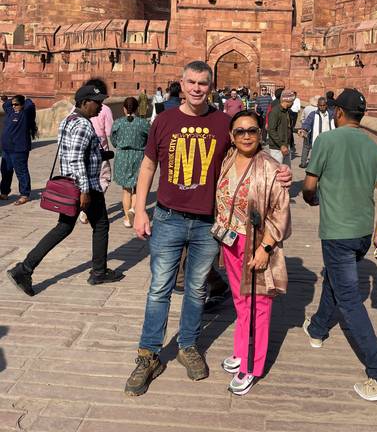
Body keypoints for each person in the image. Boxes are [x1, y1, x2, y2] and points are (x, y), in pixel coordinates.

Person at [124, 60, 291, 396]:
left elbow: (248, 150)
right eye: (191, 82)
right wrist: (139, 210)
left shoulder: (221, 123)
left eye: (203, 83)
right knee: (159, 289)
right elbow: (147, 165)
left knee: (198, 288)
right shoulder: (165, 119)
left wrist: (279, 170)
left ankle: (187, 345)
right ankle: (148, 354)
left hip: (207, 223)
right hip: (168, 217)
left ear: (210, 86)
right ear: (181, 84)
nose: (197, 88)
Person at [302, 88, 377, 402]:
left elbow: (309, 185)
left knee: (349, 300)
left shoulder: (326, 141)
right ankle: (317, 329)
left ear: (339, 113)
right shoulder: (375, 149)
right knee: (336, 278)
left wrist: (312, 198)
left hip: (337, 233)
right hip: (361, 235)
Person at [6, 85, 123, 296]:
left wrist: (100, 156)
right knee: (101, 225)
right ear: (85, 102)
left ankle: (24, 268)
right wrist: (85, 191)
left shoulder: (67, 121)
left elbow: (73, 152)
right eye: (97, 102)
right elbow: (77, 158)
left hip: (71, 183)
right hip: (84, 185)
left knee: (64, 227)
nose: (100, 107)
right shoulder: (84, 125)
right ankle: (98, 272)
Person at [216, 110, 291, 395]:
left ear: (260, 133)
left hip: (256, 244)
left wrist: (265, 248)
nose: (246, 136)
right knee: (239, 299)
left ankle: (251, 366)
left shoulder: (271, 167)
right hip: (230, 240)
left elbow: (280, 212)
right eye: (240, 131)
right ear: (231, 137)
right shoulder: (228, 159)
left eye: (252, 130)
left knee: (259, 305)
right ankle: (240, 350)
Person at [78, 78, 113, 224]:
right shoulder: (105, 109)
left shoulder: (74, 112)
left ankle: (85, 208)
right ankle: (86, 207)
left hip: (86, 152)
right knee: (103, 178)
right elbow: (110, 130)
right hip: (99, 150)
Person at [111, 97, 150, 228]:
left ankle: (127, 218)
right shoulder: (143, 123)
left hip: (122, 156)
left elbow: (113, 140)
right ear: (137, 108)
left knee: (126, 189)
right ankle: (134, 209)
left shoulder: (118, 123)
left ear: (124, 108)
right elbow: (150, 139)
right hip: (139, 156)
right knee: (137, 187)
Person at [0, 94, 36, 205]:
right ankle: (4, 192)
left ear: (22, 104)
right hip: (7, 149)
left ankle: (24, 194)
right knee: (6, 171)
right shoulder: (11, 112)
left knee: (21, 171)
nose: (14, 106)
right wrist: (9, 99)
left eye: (17, 104)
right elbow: (6, 104)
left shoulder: (25, 113)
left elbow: (31, 103)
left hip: (19, 149)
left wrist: (23, 98)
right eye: (13, 104)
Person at [298, 96, 335, 168]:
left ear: (326, 105)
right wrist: (304, 129)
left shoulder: (331, 114)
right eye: (320, 105)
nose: (322, 107)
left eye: (323, 105)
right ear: (318, 105)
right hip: (317, 140)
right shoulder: (313, 114)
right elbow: (307, 123)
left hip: (328, 140)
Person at [267, 90, 295, 166]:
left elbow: (287, 127)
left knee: (286, 170)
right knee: (277, 171)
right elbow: (271, 130)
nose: (293, 103)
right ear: (288, 101)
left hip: (286, 145)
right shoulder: (275, 112)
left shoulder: (287, 111)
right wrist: (281, 145)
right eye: (292, 101)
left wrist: (296, 131)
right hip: (277, 147)